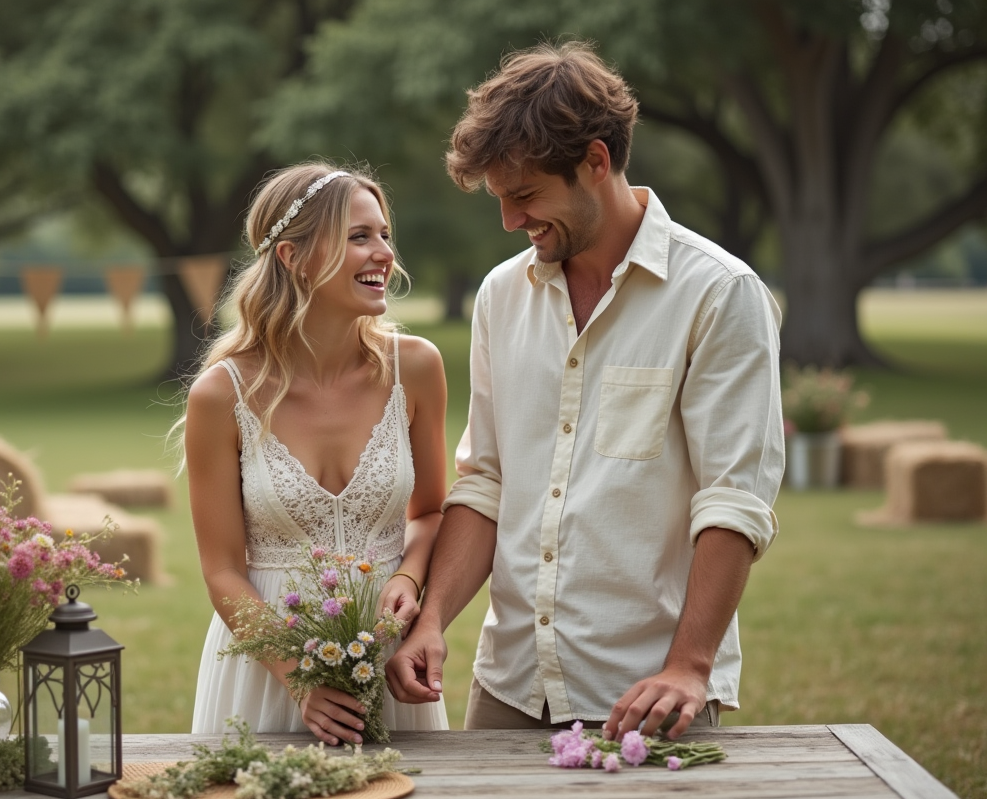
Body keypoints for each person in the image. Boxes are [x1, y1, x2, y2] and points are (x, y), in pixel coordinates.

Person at [386, 41, 784, 741]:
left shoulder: (719, 294)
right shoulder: (501, 295)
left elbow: (733, 499)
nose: (510, 221)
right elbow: (485, 482)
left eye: (524, 195)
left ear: (596, 162)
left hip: (649, 694)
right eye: (500, 199)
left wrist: (689, 666)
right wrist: (432, 620)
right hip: (509, 684)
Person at [182, 162, 450, 746]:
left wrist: (408, 576)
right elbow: (222, 569)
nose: (384, 253)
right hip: (266, 667)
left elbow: (431, 511)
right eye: (359, 236)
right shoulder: (221, 395)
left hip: (387, 653)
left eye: (384, 234)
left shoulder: (417, 368)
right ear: (293, 256)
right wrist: (297, 677)